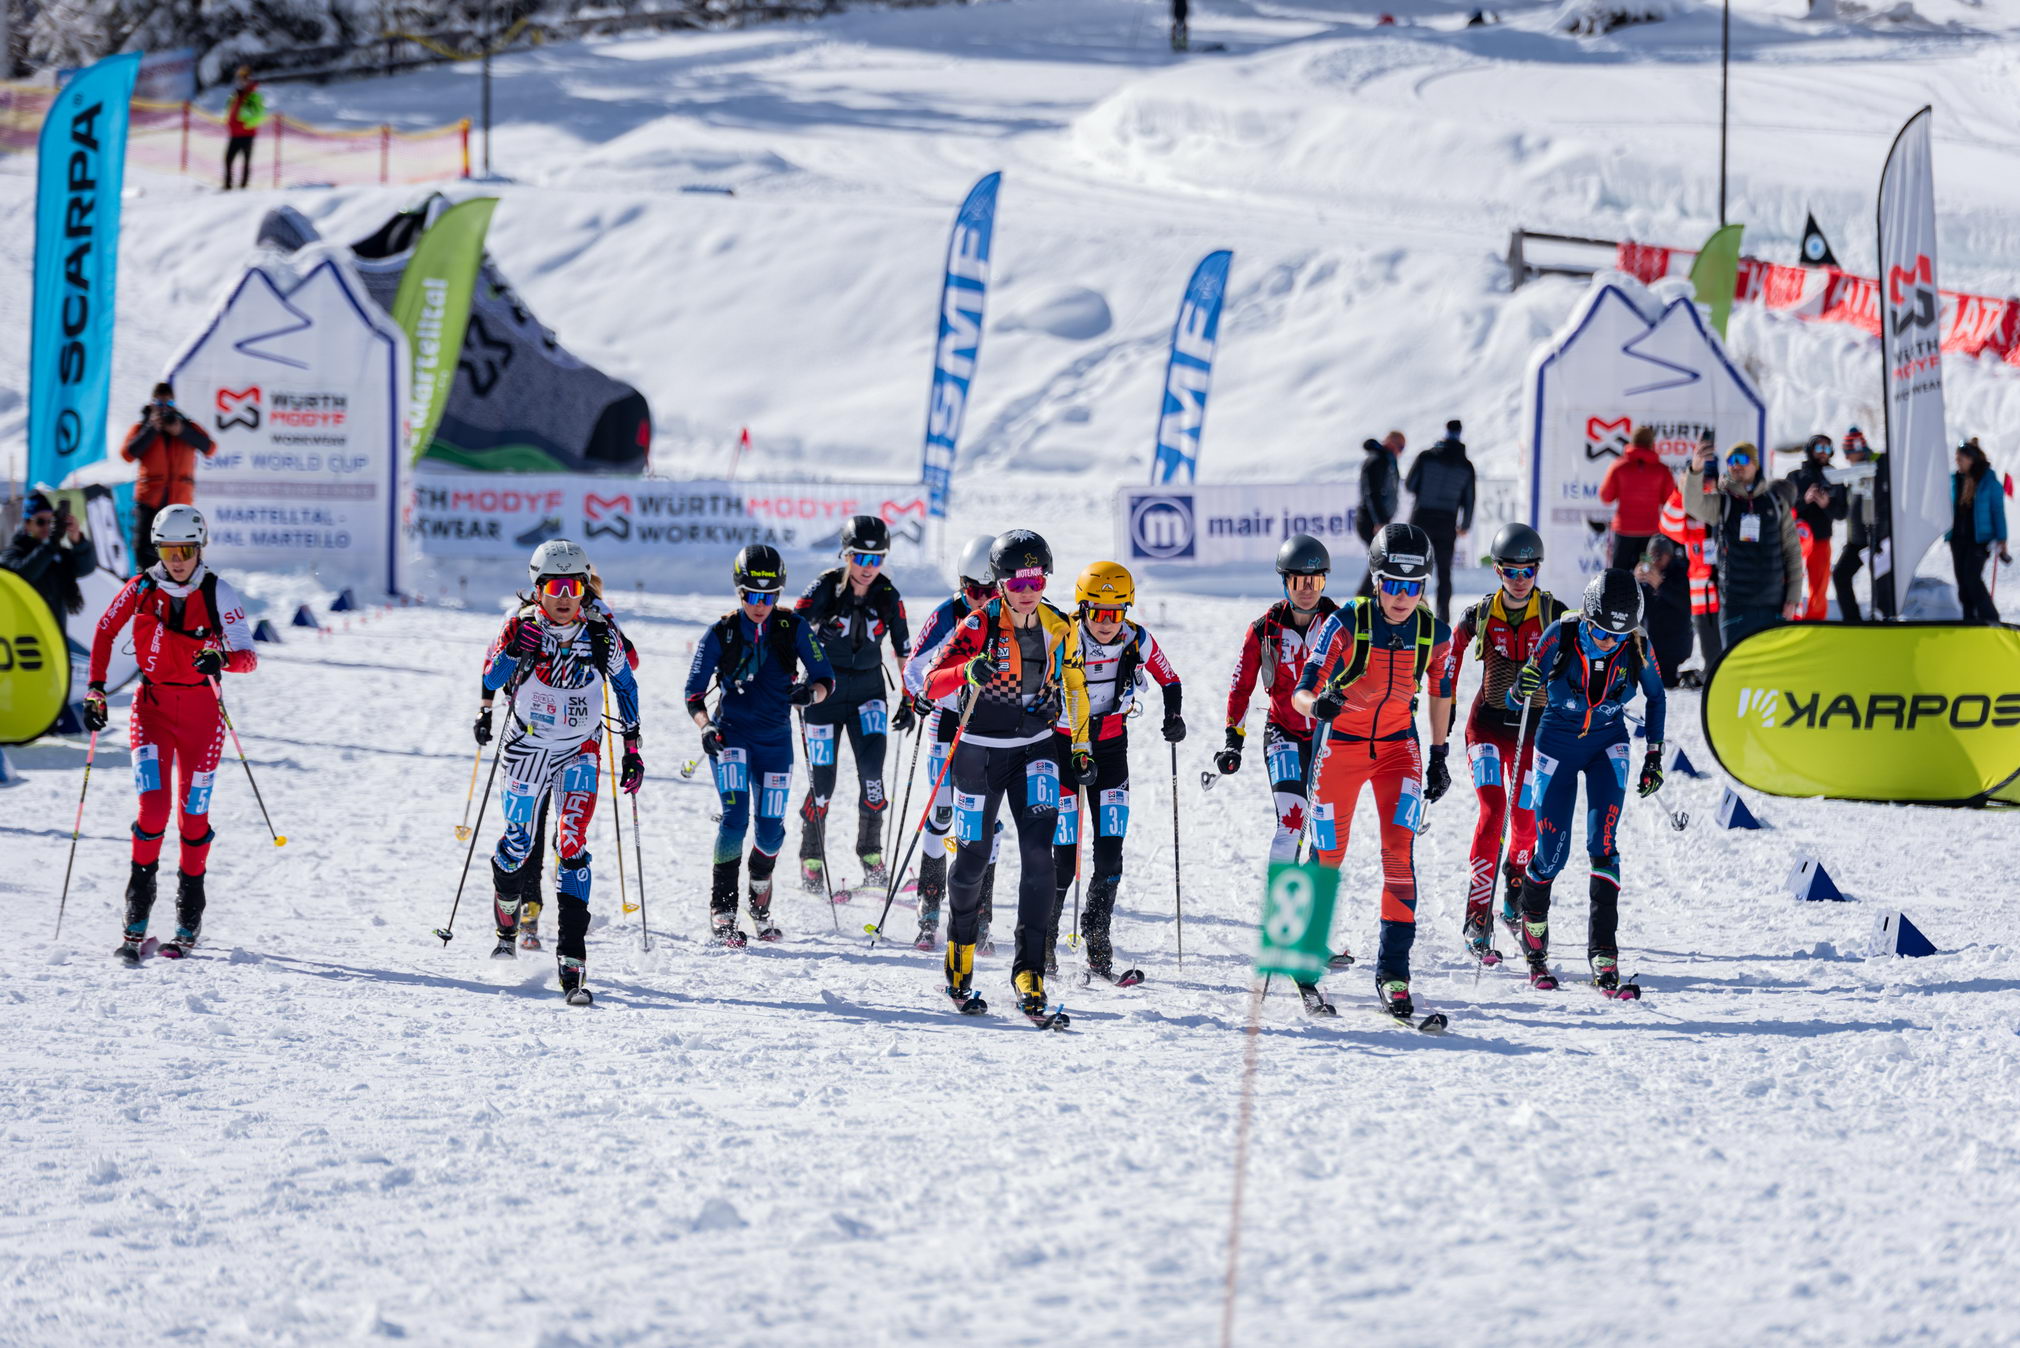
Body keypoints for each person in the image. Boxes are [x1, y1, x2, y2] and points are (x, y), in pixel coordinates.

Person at [1290, 523, 1456, 1021]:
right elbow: (1303, 688)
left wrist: (1441, 752)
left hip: (1397, 752)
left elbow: (1442, 693)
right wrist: (1318, 706)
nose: (1402, 597)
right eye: (1392, 585)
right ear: (1376, 581)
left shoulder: (1434, 632)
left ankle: (1394, 971)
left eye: (1413, 587)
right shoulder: (1347, 623)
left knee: (1399, 857)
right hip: (1340, 748)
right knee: (1326, 857)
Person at [921, 530, 1087, 1022]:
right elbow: (932, 680)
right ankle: (959, 964)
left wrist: (1078, 745)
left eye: (1035, 579)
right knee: (971, 861)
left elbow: (1075, 685)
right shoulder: (978, 625)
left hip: (1036, 749)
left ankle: (1028, 972)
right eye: (1015, 581)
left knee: (1041, 858)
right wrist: (967, 670)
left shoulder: (1060, 625)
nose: (1026, 590)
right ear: (999, 582)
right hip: (979, 755)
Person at [84, 505, 257, 964]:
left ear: (199, 549)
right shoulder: (142, 587)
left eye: (185, 550)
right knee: (153, 810)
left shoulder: (220, 592)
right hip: (152, 709)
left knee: (192, 819)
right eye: (168, 549)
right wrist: (96, 691)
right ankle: (135, 923)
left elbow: (248, 656)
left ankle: (187, 920)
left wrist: (223, 661)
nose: (177, 559)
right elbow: (104, 631)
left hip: (203, 717)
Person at [477, 540, 641, 1002]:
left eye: (576, 585)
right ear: (538, 589)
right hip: (528, 746)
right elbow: (490, 680)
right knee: (516, 845)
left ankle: (573, 962)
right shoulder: (519, 625)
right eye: (555, 586)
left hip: (579, 749)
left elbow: (627, 682)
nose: (565, 596)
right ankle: (507, 918)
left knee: (572, 845)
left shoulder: (599, 631)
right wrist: (513, 655)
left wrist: (633, 747)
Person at [1505, 570, 1666, 994]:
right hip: (1557, 744)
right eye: (1601, 632)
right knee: (1552, 852)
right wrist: (1523, 688)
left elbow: (1657, 696)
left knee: (1604, 844)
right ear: (1589, 617)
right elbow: (1514, 696)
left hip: (1606, 745)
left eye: (1619, 634)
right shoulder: (1562, 633)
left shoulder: (1637, 644)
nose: (1610, 640)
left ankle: (1603, 952)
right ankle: (1535, 947)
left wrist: (1654, 754)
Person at [686, 544, 834, 947]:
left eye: (769, 597)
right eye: (751, 595)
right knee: (735, 818)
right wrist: (704, 727)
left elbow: (825, 677)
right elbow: (693, 694)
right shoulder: (722, 632)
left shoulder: (793, 627)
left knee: (770, 833)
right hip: (731, 737)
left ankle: (758, 896)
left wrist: (810, 695)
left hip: (774, 743)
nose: (760, 604)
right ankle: (723, 909)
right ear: (739, 591)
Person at [1049, 561, 1183, 984]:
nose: (1107, 623)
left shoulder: (1135, 637)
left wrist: (1173, 716)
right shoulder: (1063, 635)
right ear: (1083, 607)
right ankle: (1042, 941)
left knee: (1110, 850)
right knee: (1062, 857)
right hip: (1064, 746)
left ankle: (1098, 943)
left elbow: (1170, 678)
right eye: (1099, 612)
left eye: (1117, 612)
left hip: (1111, 748)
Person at [1443, 522, 1564, 964]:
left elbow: (1584, 657)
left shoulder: (1554, 613)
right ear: (1496, 570)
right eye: (1510, 572)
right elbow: (1448, 663)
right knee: (1494, 811)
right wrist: (1446, 709)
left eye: (1527, 571)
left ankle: (1514, 885)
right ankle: (1478, 915)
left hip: (1536, 730)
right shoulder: (1478, 613)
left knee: (1527, 821)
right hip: (1489, 725)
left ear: (1537, 571)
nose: (1519, 580)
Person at [794, 515, 910, 897]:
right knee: (822, 783)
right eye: (860, 558)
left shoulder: (889, 594)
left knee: (873, 778)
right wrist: (812, 634)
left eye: (876, 559)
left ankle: (871, 856)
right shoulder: (826, 586)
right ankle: (812, 856)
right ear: (845, 555)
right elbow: (787, 629)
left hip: (868, 693)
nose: (867, 567)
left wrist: (910, 698)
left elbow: (904, 650)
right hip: (824, 695)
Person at [1211, 534, 1341, 865]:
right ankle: (1279, 908)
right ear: (1285, 582)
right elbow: (1241, 687)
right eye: (1298, 580)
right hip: (1283, 733)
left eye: (1315, 580)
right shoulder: (1263, 630)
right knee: (1292, 822)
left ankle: (1311, 899)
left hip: (1328, 739)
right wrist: (1232, 741)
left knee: (1326, 835)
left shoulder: (1341, 625)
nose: (1307, 589)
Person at [901, 533, 1003, 951]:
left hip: (992, 727)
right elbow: (914, 668)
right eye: (972, 590)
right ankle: (929, 911)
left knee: (985, 825)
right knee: (941, 814)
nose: (980, 599)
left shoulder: (1011, 616)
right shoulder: (947, 614)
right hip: (947, 721)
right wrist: (921, 697)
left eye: (989, 591)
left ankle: (981, 919)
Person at [1682, 440, 1802, 649]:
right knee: (1736, 669)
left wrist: (1792, 598)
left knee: (1770, 668)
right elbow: (1693, 505)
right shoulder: (1723, 502)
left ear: (1755, 464)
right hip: (1735, 604)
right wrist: (1696, 469)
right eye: (1731, 460)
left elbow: (1792, 552)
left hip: (1773, 603)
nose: (1735, 465)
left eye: (1742, 459)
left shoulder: (1775, 502)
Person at [120, 382, 216, 571]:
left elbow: (210, 448)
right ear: (152, 404)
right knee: (146, 551)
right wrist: (151, 429)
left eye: (168, 404)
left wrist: (181, 432)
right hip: (150, 500)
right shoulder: (142, 427)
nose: (164, 409)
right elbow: (127, 454)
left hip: (179, 501)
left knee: (180, 550)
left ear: (174, 404)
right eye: (159, 403)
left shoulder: (187, 426)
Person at [1404, 418, 1475, 623]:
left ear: (1445, 432)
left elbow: (1409, 485)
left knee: (1416, 567)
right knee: (1444, 572)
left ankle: (1414, 610)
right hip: (1447, 520)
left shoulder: (1426, 457)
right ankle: (1443, 618)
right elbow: (1470, 499)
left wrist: (1425, 491)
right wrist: (1465, 524)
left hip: (1421, 518)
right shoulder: (1466, 465)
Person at [1, 491, 94, 641]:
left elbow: (86, 568)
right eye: (40, 522)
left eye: (51, 522)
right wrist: (51, 543)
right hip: (22, 637)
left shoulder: (56, 553)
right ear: (27, 524)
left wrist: (78, 539)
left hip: (54, 636)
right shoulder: (13, 553)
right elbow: (24, 575)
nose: (47, 527)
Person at [1783, 434, 1849, 621]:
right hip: (1795, 541)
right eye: (1819, 448)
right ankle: (1790, 620)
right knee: (1790, 582)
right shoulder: (1795, 476)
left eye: (1826, 449)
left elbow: (1842, 513)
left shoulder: (1836, 477)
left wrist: (1826, 504)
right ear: (1810, 450)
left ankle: (1815, 622)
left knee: (1819, 587)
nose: (1823, 453)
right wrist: (1804, 500)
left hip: (1821, 539)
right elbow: (1783, 507)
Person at [1949, 439, 2010, 623]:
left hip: (1979, 540)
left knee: (1972, 578)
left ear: (1971, 459)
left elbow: (1998, 511)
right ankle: (1970, 619)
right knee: (1963, 584)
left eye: (1961, 458)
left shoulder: (1988, 481)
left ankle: (1990, 618)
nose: (1958, 462)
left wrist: (2002, 538)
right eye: (1957, 458)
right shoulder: (1954, 480)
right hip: (1958, 539)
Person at [1598, 426, 1673, 571]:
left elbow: (1605, 497)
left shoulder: (1619, 466)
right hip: (1650, 533)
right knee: (1646, 573)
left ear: (1632, 441)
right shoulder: (1662, 469)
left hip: (1624, 532)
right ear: (1652, 443)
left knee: (1619, 575)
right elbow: (1669, 500)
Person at [1832, 427, 1878, 623]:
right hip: (1857, 540)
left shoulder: (1877, 468)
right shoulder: (1852, 476)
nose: (1848, 458)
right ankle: (1852, 620)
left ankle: (1882, 616)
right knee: (1840, 575)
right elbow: (1842, 513)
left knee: (1880, 579)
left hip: (1877, 537)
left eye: (1849, 453)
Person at [1635, 536, 1692, 687]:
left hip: (1674, 646)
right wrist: (1634, 582)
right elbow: (1634, 610)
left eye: (1659, 556)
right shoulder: (1644, 576)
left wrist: (1661, 585)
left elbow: (1685, 603)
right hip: (1651, 644)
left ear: (1670, 555)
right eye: (1651, 556)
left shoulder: (1681, 572)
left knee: (1665, 682)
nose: (1655, 561)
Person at [1356, 433, 1403, 597]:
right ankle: (1364, 597)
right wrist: (1379, 520)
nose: (1401, 452)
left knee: (1382, 559)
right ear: (1390, 442)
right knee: (1381, 559)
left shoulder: (1386, 460)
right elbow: (1372, 492)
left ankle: (1371, 597)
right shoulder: (1377, 460)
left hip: (1377, 519)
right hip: (1371, 520)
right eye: (1400, 446)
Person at [223, 66, 265, 191]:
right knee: (228, 159)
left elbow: (259, 115)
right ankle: (228, 184)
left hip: (247, 134)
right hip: (234, 133)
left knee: (246, 160)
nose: (241, 81)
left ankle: (243, 185)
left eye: (244, 78)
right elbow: (229, 111)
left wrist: (245, 123)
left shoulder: (254, 96)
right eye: (240, 78)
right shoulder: (235, 96)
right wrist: (230, 123)